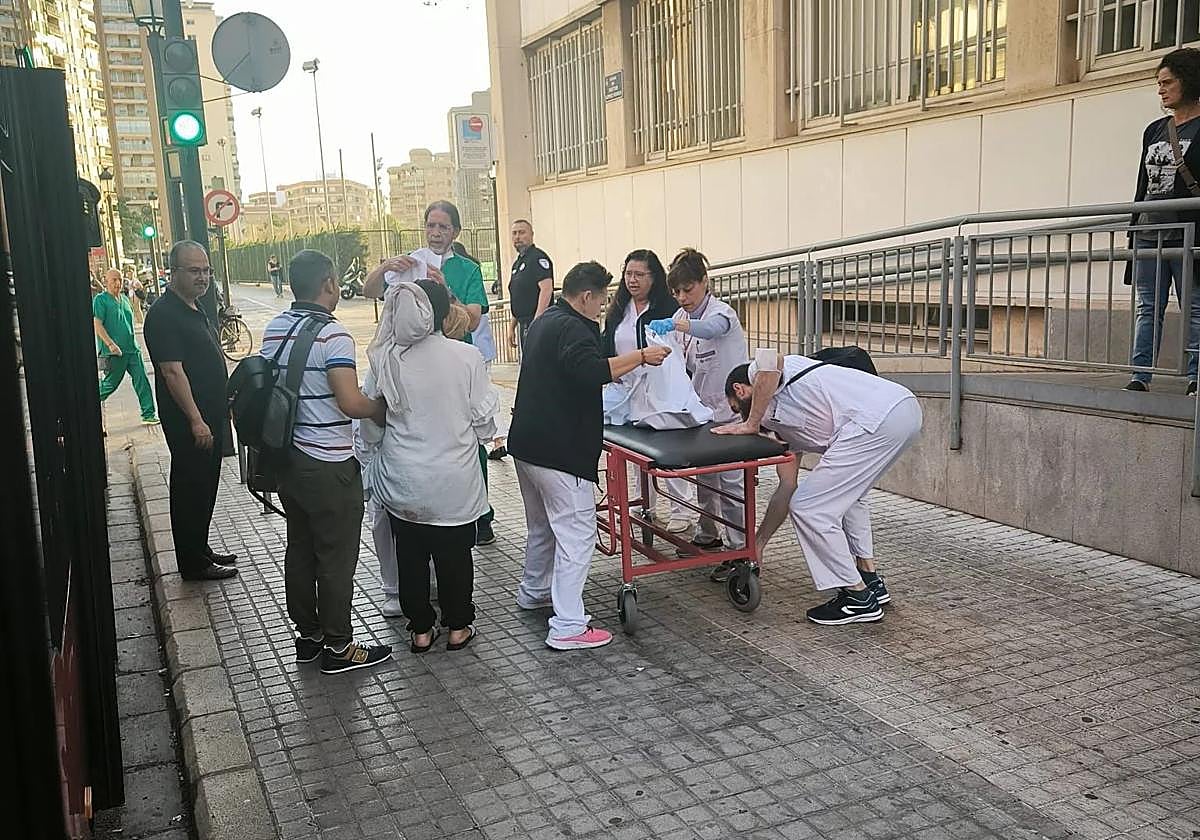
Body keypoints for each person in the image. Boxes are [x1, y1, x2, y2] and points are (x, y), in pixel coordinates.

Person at [509, 261, 671, 651]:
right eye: (600, 301)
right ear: (586, 296)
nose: (601, 308)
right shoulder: (573, 327)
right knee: (577, 535)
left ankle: (534, 590)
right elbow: (591, 372)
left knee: (543, 527)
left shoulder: (546, 321)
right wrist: (641, 357)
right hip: (560, 451)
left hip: (527, 446)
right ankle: (567, 625)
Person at [716, 353, 923, 625]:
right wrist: (759, 543)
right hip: (899, 413)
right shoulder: (781, 424)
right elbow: (786, 487)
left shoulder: (763, 372)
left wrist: (750, 423)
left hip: (877, 417)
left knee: (810, 508)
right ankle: (869, 579)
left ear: (740, 390)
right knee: (849, 498)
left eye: (735, 408)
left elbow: (769, 361)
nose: (738, 416)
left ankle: (856, 597)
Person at [261, 249, 393, 674]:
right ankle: (340, 646)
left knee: (300, 549)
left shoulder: (275, 327)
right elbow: (351, 402)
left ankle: (309, 637)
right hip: (329, 465)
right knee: (336, 558)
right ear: (330, 284)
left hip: (288, 461)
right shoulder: (333, 336)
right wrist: (381, 408)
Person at [368, 279, 496, 653]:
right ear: (443, 313)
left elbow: (371, 425)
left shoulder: (385, 359)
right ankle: (458, 626)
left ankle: (421, 630)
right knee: (454, 554)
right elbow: (484, 424)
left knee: (410, 557)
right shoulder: (466, 357)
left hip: (403, 480)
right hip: (453, 480)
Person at [364, 201, 498, 547]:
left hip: (450, 359)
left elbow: (472, 318)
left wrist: (445, 291)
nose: (436, 233)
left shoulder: (466, 270)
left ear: (455, 232)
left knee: (462, 434)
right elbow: (370, 291)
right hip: (410, 360)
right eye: (431, 225)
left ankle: (478, 512)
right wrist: (385, 268)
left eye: (443, 227)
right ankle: (411, 503)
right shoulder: (410, 261)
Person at [648, 248, 748, 572]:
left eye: (688, 289)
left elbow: (712, 329)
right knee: (706, 479)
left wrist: (679, 325)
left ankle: (739, 551)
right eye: (676, 292)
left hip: (732, 414)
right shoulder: (685, 323)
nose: (682, 297)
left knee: (731, 484)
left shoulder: (723, 314)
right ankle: (708, 534)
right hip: (705, 413)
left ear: (705, 282)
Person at [142, 241, 237, 582]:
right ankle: (193, 562)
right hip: (190, 419)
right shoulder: (164, 314)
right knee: (191, 486)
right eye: (194, 271)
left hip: (209, 414)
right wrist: (196, 420)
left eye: (206, 270)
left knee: (206, 483)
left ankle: (200, 548)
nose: (202, 277)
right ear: (174, 272)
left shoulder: (194, 307)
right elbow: (172, 371)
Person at [602, 249, 694, 533]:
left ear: (654, 278)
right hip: (626, 389)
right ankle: (644, 505)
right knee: (634, 453)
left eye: (640, 275)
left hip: (660, 391)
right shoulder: (620, 308)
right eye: (628, 274)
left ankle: (682, 509)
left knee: (668, 450)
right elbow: (608, 340)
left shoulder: (667, 309)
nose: (633, 280)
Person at [1126, 48, 1200, 396]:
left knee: (1195, 307)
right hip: (1149, 232)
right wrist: (1135, 226)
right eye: (1158, 83)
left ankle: (1195, 377)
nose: (1161, 90)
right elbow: (1142, 185)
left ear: (1189, 80)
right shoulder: (1155, 130)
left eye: (1167, 82)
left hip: (1188, 234)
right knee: (1147, 307)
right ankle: (1140, 376)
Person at [94, 268, 159, 425]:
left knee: (142, 379)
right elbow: (97, 323)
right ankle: (87, 404)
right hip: (115, 351)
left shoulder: (123, 299)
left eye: (120, 279)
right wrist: (110, 344)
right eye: (114, 280)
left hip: (132, 349)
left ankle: (148, 414)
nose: (117, 283)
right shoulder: (100, 300)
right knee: (110, 384)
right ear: (106, 281)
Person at [506, 219, 554, 353]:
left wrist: (537, 320)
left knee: (538, 366)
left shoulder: (538, 258)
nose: (517, 237)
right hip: (524, 323)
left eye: (522, 233)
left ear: (532, 235)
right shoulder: (517, 264)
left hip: (537, 323)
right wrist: (512, 326)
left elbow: (546, 289)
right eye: (514, 233)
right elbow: (519, 296)